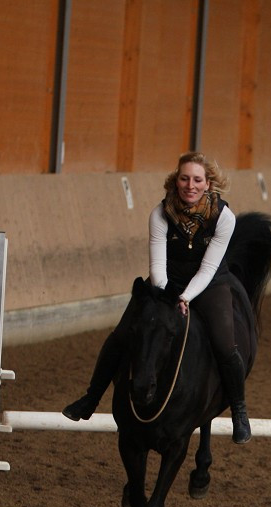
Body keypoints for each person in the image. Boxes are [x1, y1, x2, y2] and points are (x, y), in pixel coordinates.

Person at [62, 151, 252, 443]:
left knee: (226, 344)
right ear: (176, 181)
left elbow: (209, 266)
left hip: (211, 282)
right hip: (166, 282)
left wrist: (186, 298)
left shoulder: (224, 217)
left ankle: (239, 411)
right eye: (184, 178)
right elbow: (157, 265)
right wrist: (167, 299)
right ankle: (90, 399)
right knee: (121, 335)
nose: (190, 185)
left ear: (208, 184)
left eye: (197, 180)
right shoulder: (159, 213)